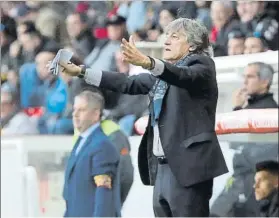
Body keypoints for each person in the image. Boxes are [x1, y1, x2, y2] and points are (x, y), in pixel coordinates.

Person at [59, 18, 228, 217]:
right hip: (163, 168)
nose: (166, 41)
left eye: (174, 37)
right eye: (166, 36)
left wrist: (148, 62)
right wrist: (82, 72)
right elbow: (125, 82)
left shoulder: (202, 65)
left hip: (188, 169)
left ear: (192, 45)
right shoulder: (162, 76)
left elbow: (183, 76)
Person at [63, 90, 121, 217]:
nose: (75, 114)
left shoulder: (102, 145)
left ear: (95, 114)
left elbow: (104, 193)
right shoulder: (81, 142)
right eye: (74, 109)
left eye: (81, 110)